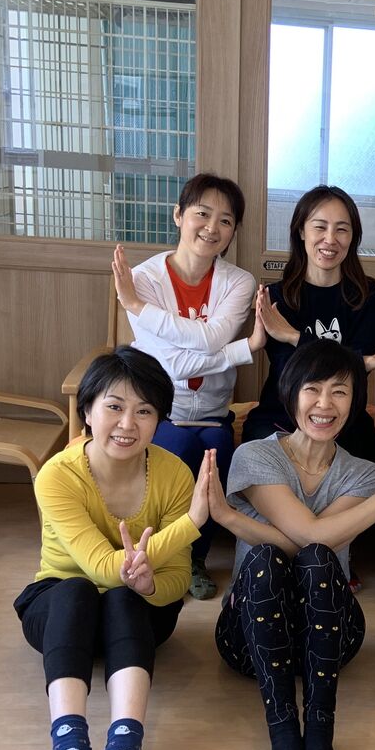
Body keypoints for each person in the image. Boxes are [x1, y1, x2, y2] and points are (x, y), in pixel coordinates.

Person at [12, 346, 210, 750]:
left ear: (160, 419)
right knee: (78, 590)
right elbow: (102, 566)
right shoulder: (58, 474)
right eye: (114, 407)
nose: (127, 424)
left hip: (136, 617)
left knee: (123, 598)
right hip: (60, 609)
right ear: (87, 410)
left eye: (144, 411)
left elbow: (177, 580)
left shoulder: (174, 474)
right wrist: (191, 524)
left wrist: (149, 584)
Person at [205, 339, 375, 750]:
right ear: (291, 393)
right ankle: (283, 734)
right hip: (248, 642)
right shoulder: (256, 456)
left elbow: (313, 544)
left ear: (355, 402)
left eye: (340, 391)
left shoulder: (364, 475)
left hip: (331, 641)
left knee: (317, 561)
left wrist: (235, 521)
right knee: (269, 560)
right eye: (312, 389)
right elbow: (312, 533)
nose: (324, 404)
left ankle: (319, 733)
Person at [112, 172, 259, 600]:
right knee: (176, 450)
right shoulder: (142, 279)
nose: (212, 228)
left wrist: (140, 310)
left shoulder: (239, 282)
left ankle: (194, 558)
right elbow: (169, 366)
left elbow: (209, 340)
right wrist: (241, 350)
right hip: (159, 408)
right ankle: (162, 553)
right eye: (202, 214)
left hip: (213, 411)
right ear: (179, 215)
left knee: (217, 454)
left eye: (225, 220)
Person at [242, 184, 375, 462]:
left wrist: (293, 336)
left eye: (342, 229)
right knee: (253, 462)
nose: (330, 239)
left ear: (353, 237)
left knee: (374, 474)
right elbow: (290, 371)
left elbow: (353, 373)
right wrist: (364, 360)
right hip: (281, 415)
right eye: (320, 227)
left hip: (344, 419)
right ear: (301, 231)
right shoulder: (276, 298)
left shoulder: (370, 297)